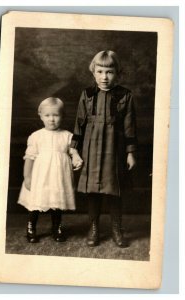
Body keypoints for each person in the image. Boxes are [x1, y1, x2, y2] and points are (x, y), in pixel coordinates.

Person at [70, 50, 137, 247]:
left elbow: (129, 126)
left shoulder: (125, 95)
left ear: (117, 73)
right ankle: (94, 229)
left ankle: (117, 229)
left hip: (114, 150)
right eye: (100, 72)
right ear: (93, 72)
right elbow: (79, 124)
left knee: (114, 191)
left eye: (109, 72)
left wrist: (130, 153)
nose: (104, 77)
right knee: (93, 192)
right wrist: (74, 150)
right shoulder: (87, 94)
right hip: (90, 150)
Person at [18, 97, 83, 243]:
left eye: (56, 115)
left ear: (63, 116)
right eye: (47, 115)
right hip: (41, 176)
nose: (52, 119)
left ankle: (56, 227)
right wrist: (27, 177)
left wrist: (76, 156)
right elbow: (30, 158)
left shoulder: (68, 136)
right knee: (36, 202)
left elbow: (73, 151)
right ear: (40, 116)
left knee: (57, 203)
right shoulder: (36, 136)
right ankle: (31, 227)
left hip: (59, 176)